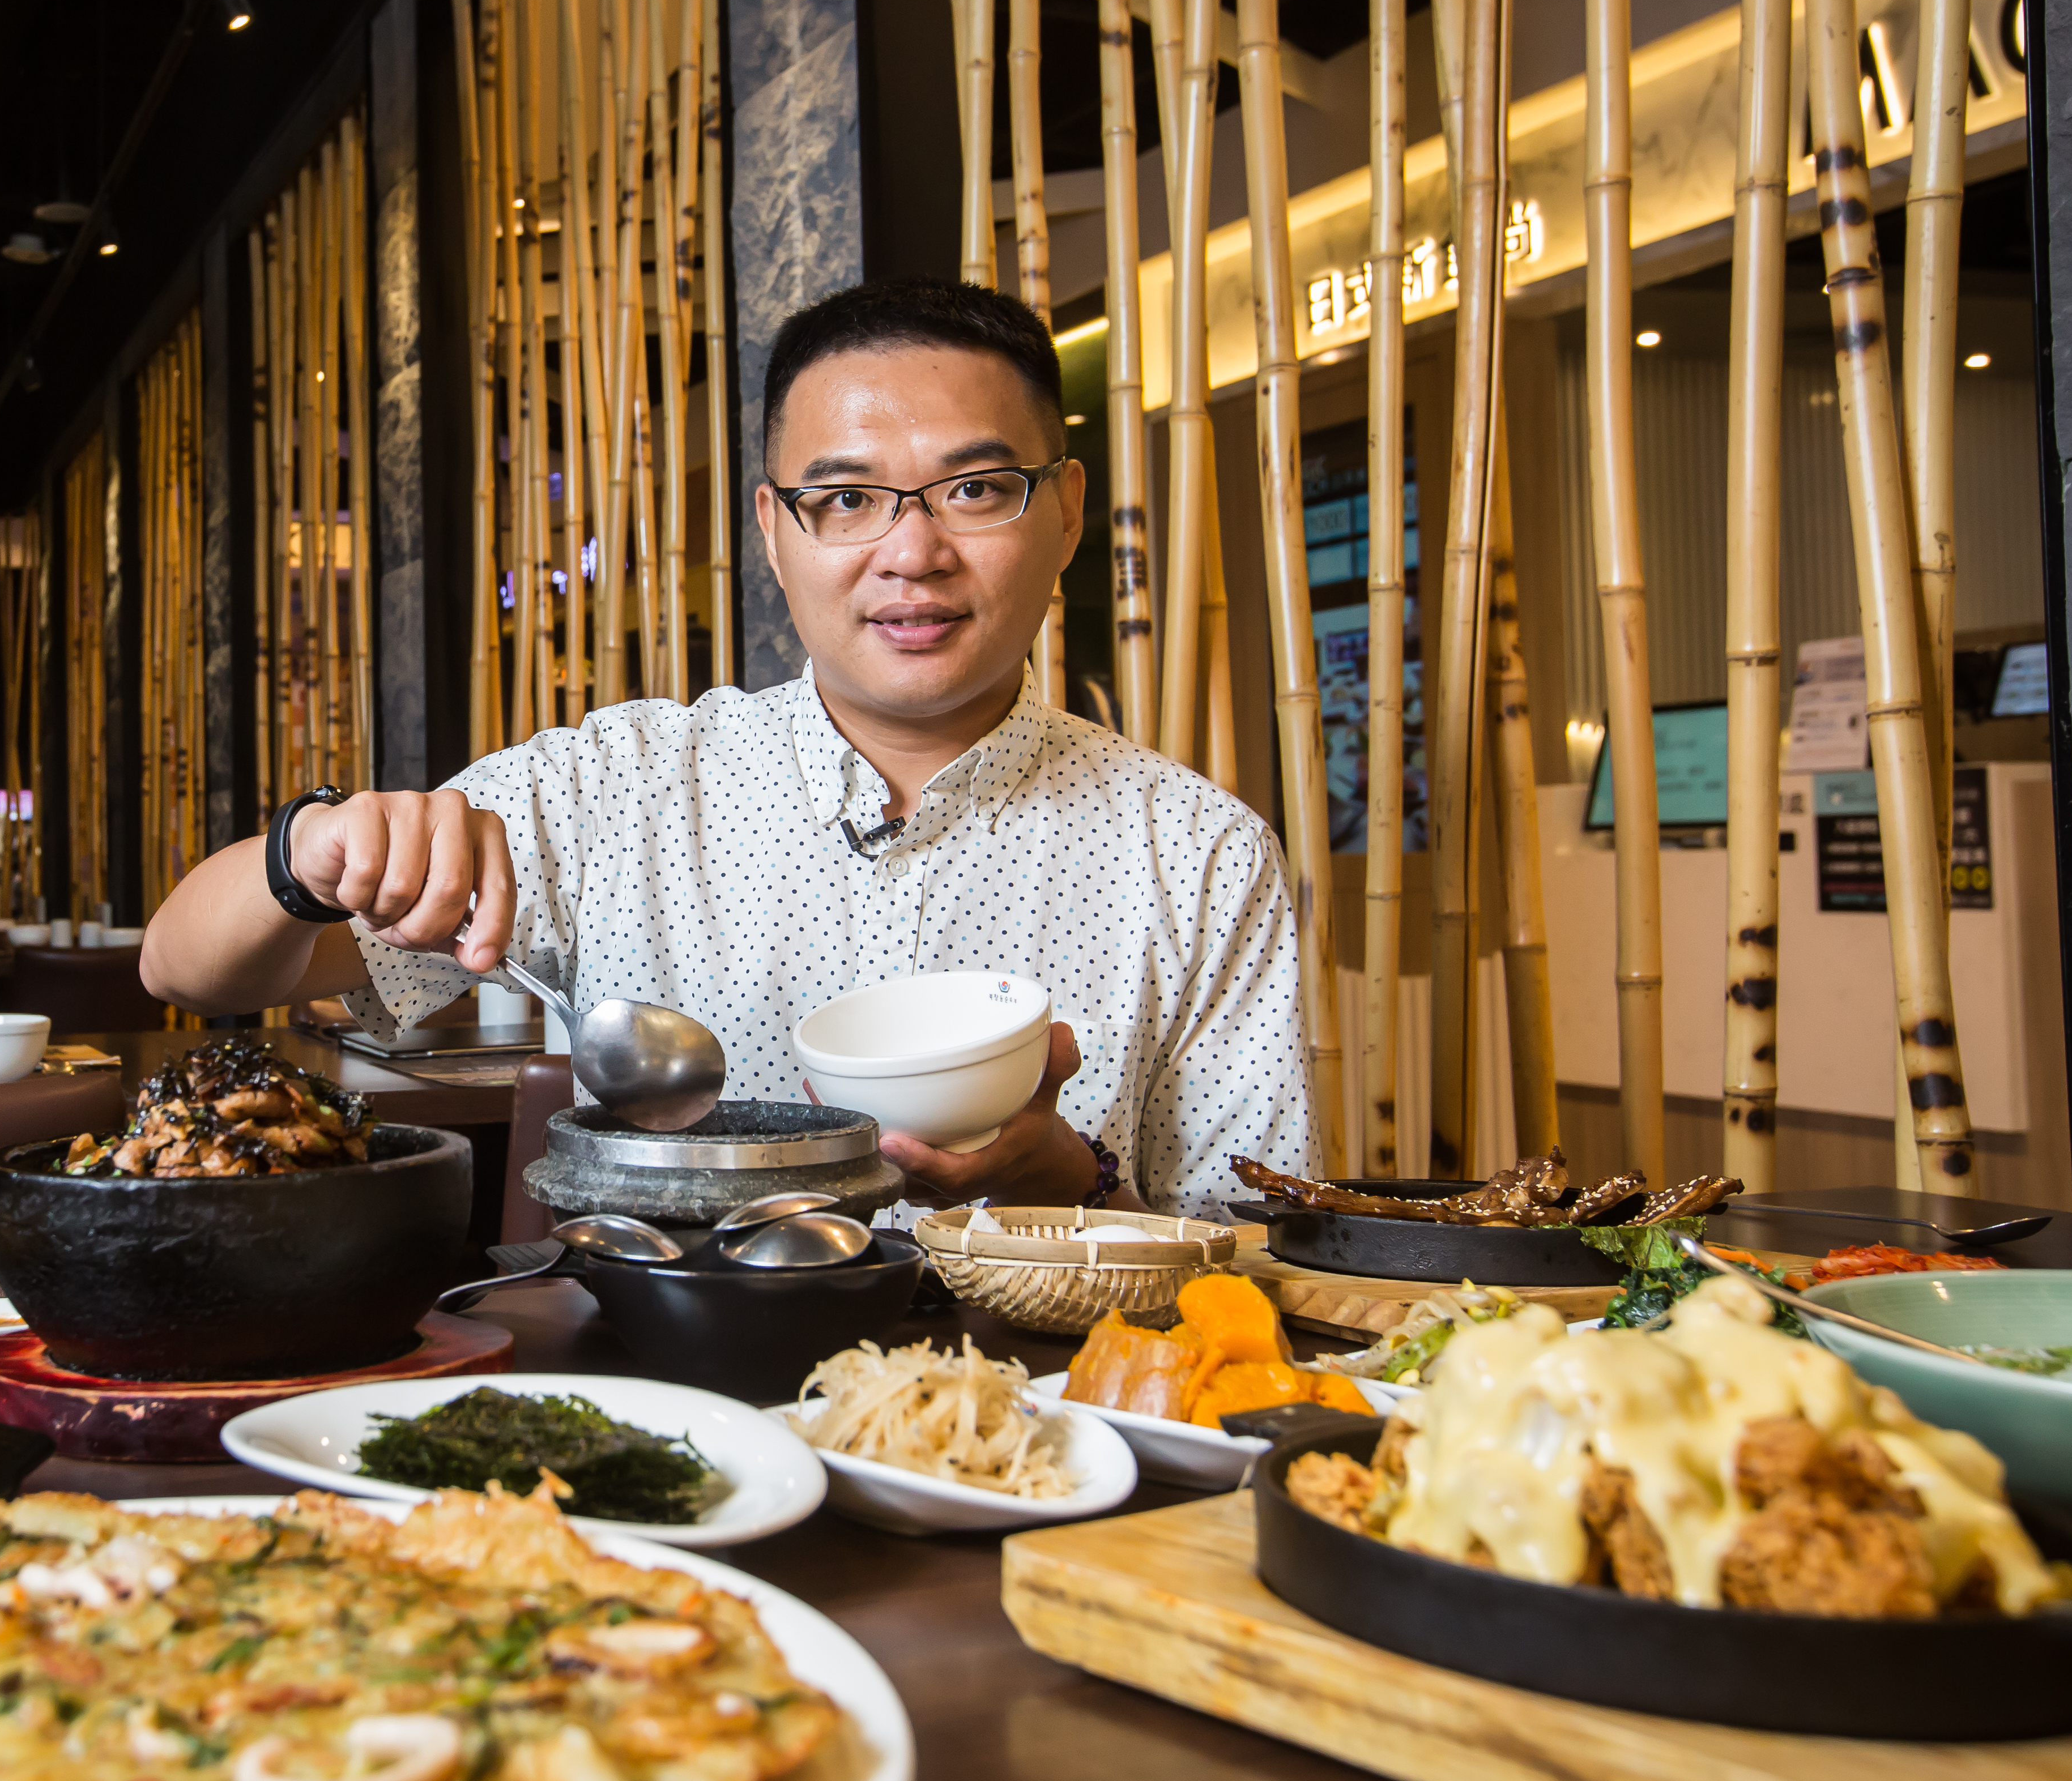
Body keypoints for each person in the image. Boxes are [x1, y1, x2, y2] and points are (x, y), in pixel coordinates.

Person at [144, 277, 1320, 1215]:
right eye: (848, 500)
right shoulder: (616, 788)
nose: (910, 554)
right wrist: (311, 849)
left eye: (974, 489)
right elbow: (189, 969)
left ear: (1064, 510)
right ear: (775, 528)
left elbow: (1256, 1250)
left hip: (1050, 1445)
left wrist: (1074, 1182)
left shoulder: (1199, 852)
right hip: (666, 1407)